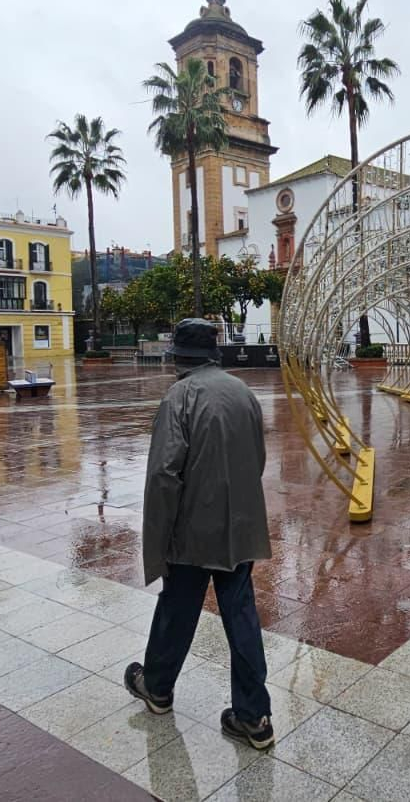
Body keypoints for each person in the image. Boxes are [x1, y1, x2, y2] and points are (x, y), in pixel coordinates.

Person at [123, 318, 275, 749]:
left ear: (178, 360)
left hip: (192, 530)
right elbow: (257, 459)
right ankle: (253, 716)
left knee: (178, 608)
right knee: (241, 614)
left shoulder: (180, 397)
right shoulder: (244, 393)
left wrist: (159, 538)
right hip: (240, 527)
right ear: (214, 353)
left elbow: (164, 476)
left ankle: (157, 687)